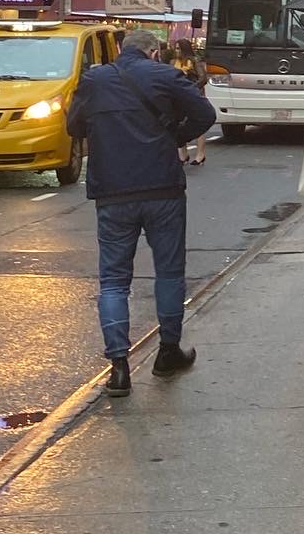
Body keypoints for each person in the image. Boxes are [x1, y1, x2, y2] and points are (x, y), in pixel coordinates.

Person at [66, 28, 215, 398]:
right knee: (169, 271)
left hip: (112, 191)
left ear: (121, 49)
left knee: (114, 280)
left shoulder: (95, 80)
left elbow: (74, 126)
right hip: (162, 187)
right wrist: (176, 135)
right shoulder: (166, 76)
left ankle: (119, 367)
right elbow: (204, 113)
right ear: (153, 53)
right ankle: (168, 351)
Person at [167, 40, 211, 167]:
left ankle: (200, 154)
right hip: (177, 97)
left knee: (198, 122)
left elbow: (203, 78)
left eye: (178, 48)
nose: (176, 51)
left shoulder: (194, 61)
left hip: (193, 95)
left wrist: (191, 88)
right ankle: (183, 154)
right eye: (175, 48)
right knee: (179, 123)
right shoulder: (172, 63)